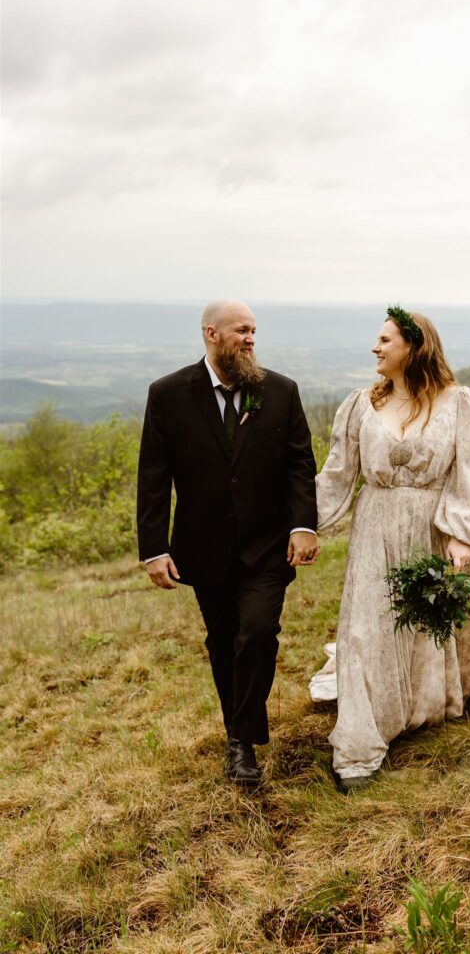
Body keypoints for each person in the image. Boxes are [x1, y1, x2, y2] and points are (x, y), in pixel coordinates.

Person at [315, 305, 470, 793]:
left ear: (414, 347)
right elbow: (337, 476)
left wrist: (461, 534)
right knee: (368, 629)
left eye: (385, 340)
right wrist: (294, 522)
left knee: (430, 620)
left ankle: (430, 703)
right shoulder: (361, 404)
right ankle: (362, 742)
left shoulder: (458, 402)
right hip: (376, 530)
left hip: (434, 525)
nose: (375, 348)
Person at [137, 299, 319, 787]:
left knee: (258, 632)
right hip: (204, 547)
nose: (251, 339)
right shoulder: (169, 394)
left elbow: (300, 464)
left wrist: (304, 524)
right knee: (223, 642)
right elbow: (153, 476)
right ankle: (239, 739)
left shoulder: (280, 391)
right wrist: (154, 548)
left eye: (254, 330)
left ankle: (241, 740)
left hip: (268, 545)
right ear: (211, 334)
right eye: (242, 330)